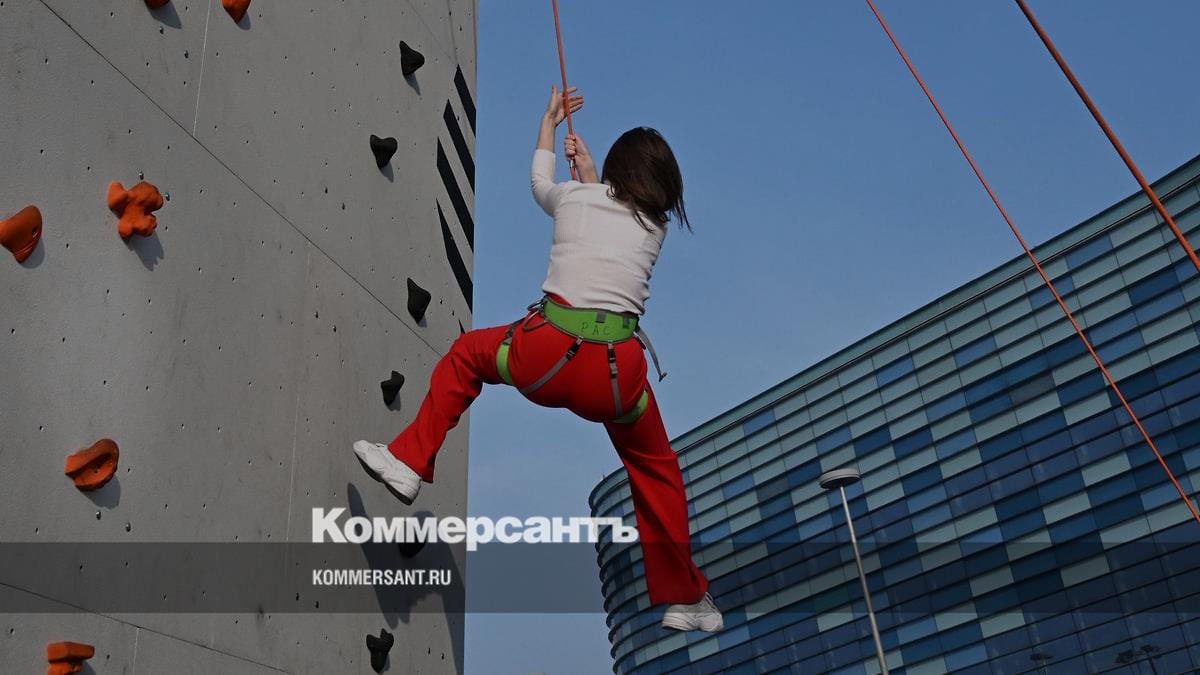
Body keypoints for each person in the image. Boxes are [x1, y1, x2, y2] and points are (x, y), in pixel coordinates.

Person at [354, 85, 722, 632]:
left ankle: (410, 462)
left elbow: (540, 185)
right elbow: (610, 218)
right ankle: (685, 598)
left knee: (467, 356)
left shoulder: (575, 199)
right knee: (656, 468)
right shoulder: (656, 228)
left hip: (545, 356)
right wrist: (591, 173)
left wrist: (549, 125)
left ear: (615, 173)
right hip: (615, 380)